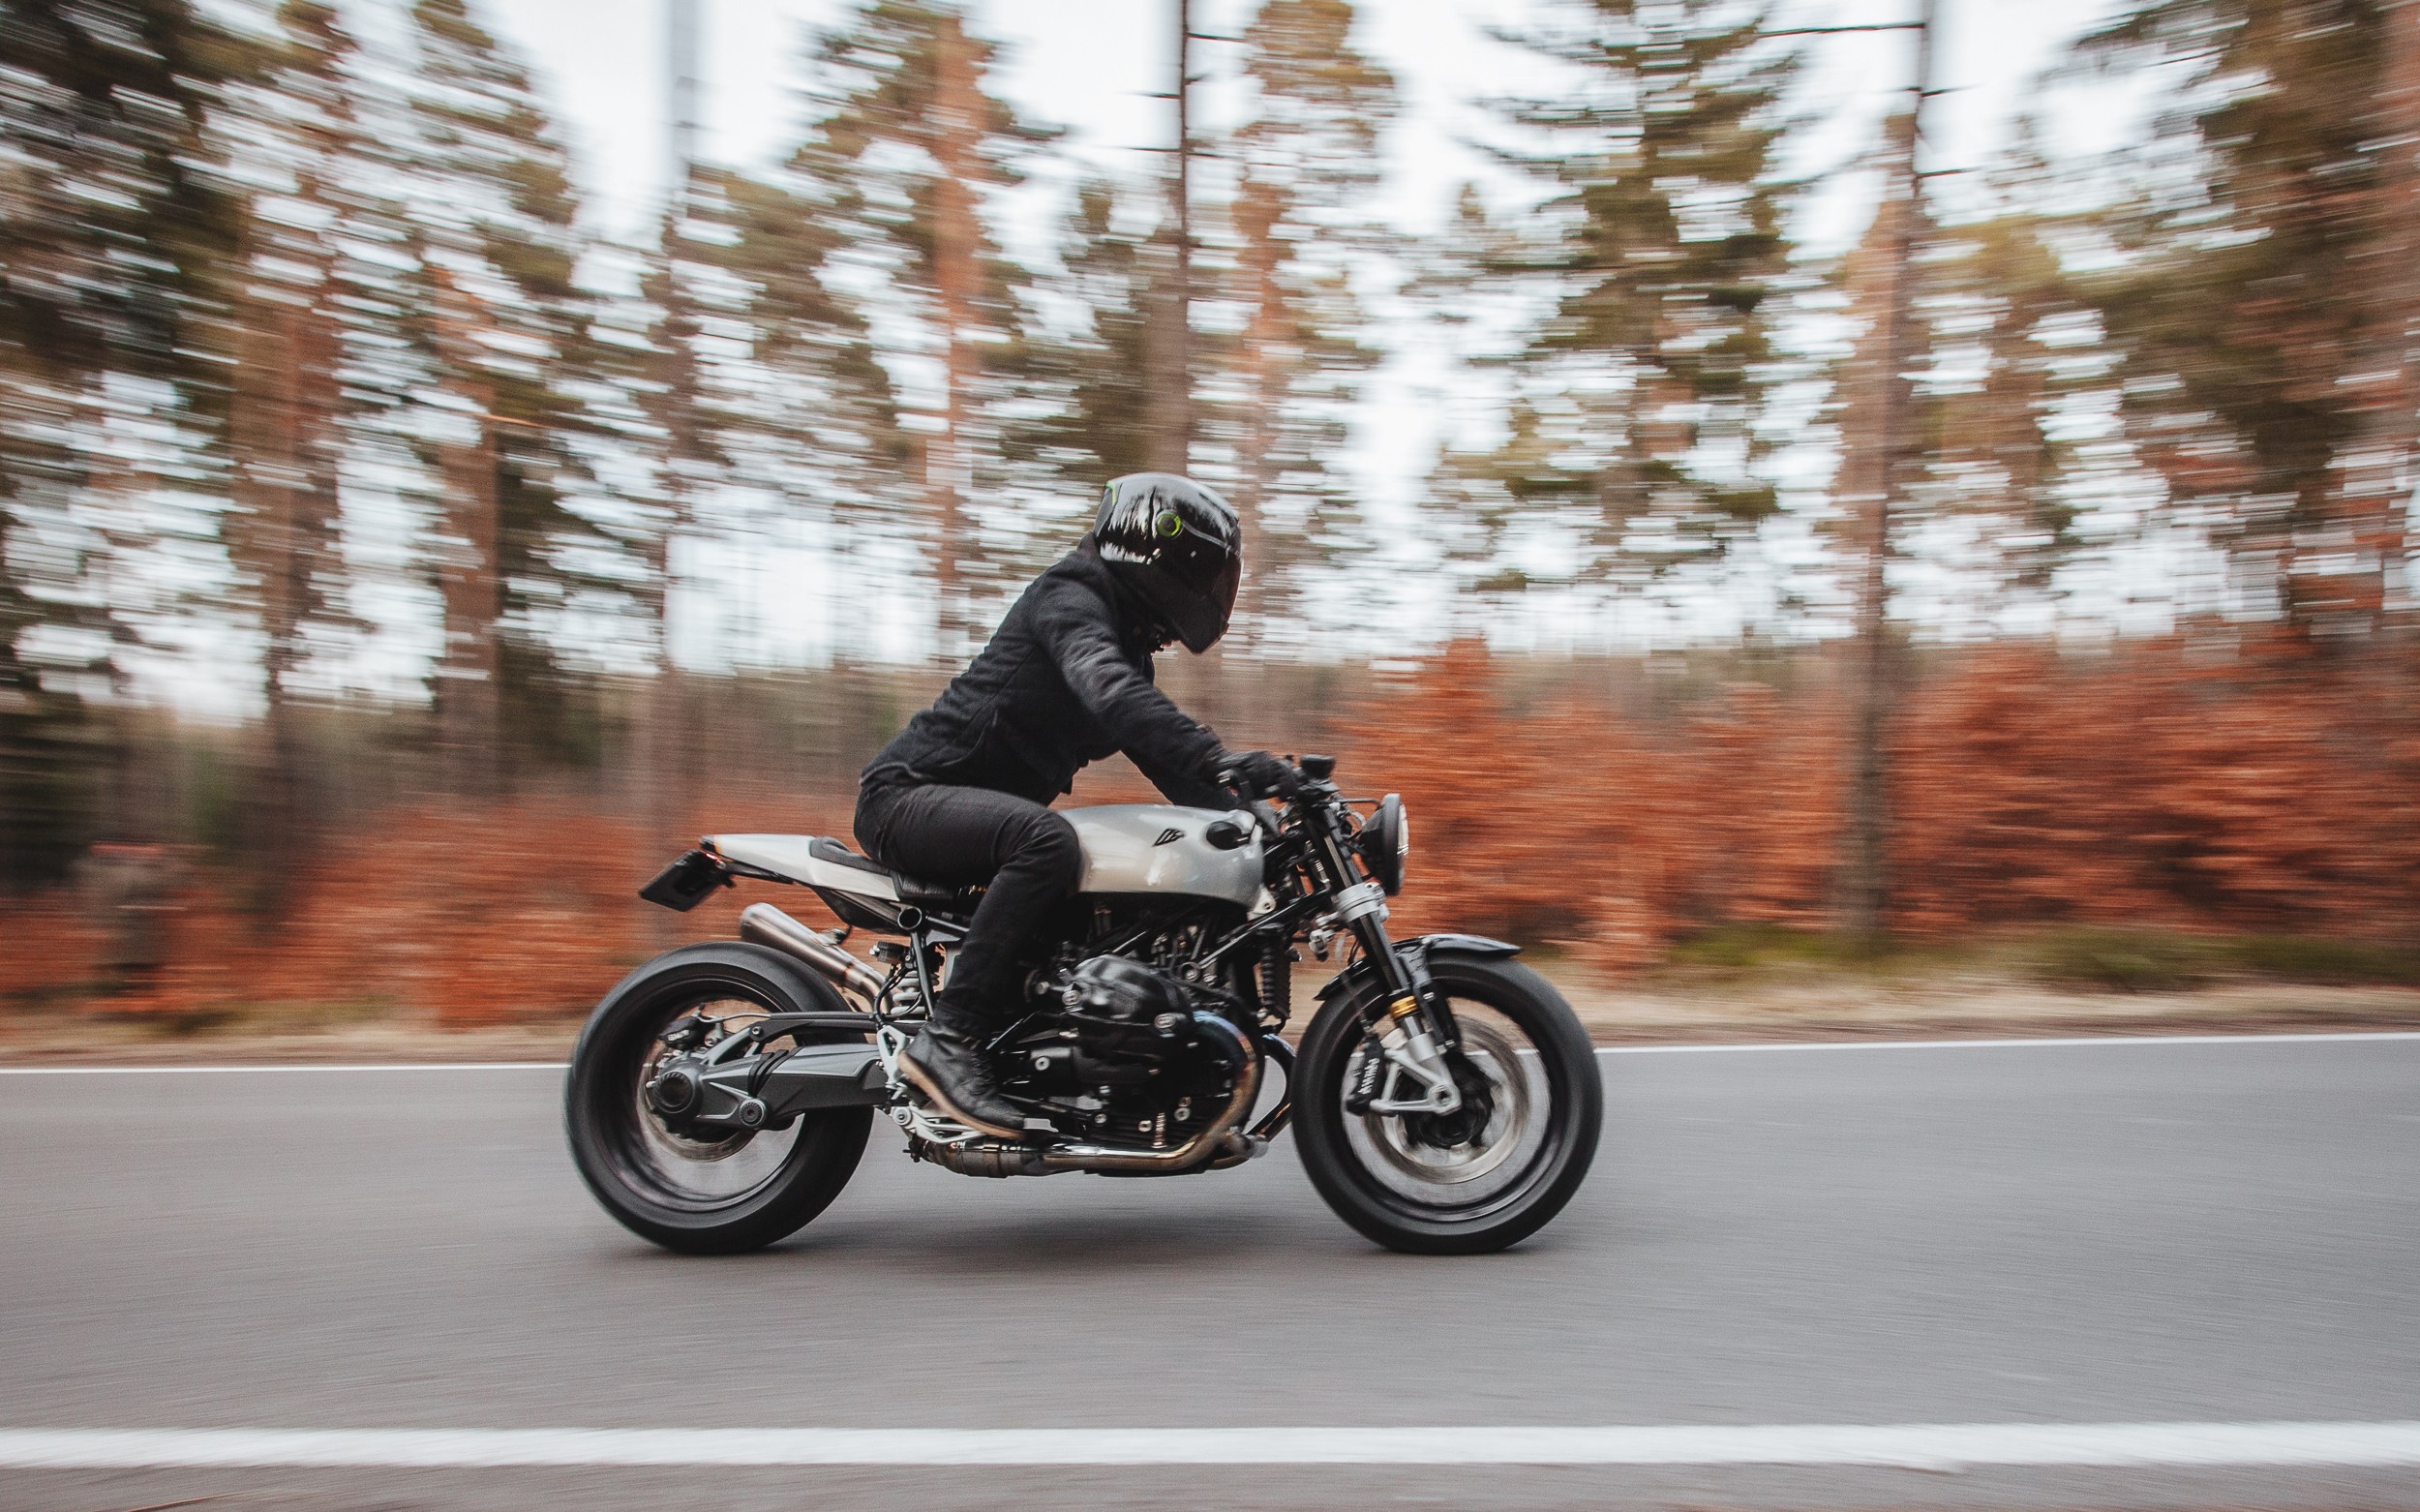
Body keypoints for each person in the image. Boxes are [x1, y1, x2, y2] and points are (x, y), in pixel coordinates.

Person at [855, 473, 1300, 1138]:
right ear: (1161, 555)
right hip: (906, 798)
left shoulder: (1126, 650)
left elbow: (1174, 769)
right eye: (1204, 574)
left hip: (970, 817)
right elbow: (1110, 693)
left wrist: (1253, 820)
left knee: (1085, 878)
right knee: (1049, 842)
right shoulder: (1070, 596)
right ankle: (948, 1041)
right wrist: (1221, 756)